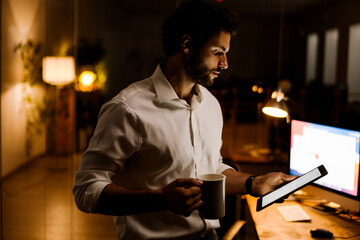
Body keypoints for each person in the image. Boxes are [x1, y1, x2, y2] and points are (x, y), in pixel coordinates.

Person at [73, 1, 296, 239]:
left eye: (226, 53)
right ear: (187, 44)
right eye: (217, 52)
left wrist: (254, 183)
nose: (225, 64)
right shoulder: (128, 109)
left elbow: (210, 168)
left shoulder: (209, 104)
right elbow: (86, 190)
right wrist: (159, 199)